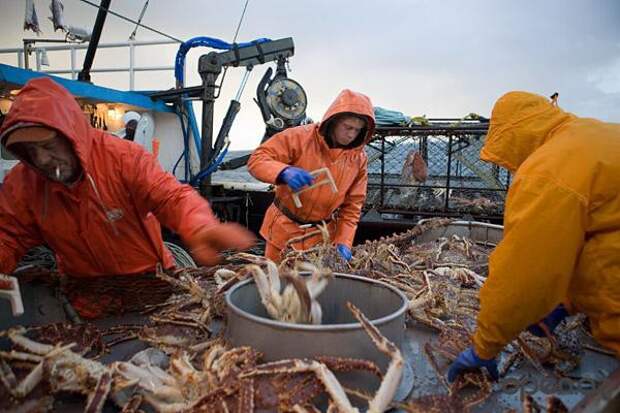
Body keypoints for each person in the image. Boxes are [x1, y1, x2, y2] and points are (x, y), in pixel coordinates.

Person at [0, 77, 255, 317]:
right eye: (31, 151)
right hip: (87, 295)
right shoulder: (22, 184)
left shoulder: (123, 158)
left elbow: (171, 196)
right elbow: (8, 236)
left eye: (48, 146)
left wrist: (200, 229)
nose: (42, 159)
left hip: (152, 284)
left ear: (70, 134)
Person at [448, 91, 620, 382]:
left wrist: (485, 345)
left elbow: (525, 271)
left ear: (512, 136)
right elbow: (603, 239)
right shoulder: (597, 135)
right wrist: (568, 303)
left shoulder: (547, 172)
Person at [247, 89, 375, 262]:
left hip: (321, 238)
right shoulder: (299, 137)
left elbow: (352, 207)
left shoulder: (358, 159)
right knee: (275, 283)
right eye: (348, 127)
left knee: (312, 287)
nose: (352, 134)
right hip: (282, 229)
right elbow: (257, 159)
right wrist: (283, 171)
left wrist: (344, 241)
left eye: (358, 130)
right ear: (334, 121)